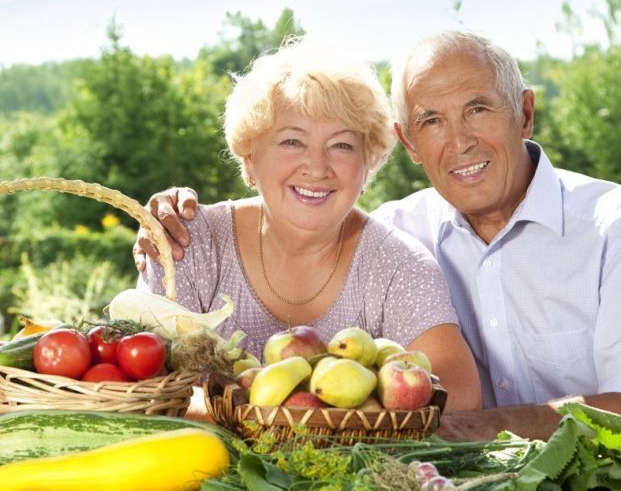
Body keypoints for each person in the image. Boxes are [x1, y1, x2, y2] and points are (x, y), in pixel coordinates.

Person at [137, 30, 621, 441]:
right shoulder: (400, 227)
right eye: (431, 120)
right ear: (408, 141)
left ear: (525, 113)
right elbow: (135, 378)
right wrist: (165, 220)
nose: (459, 141)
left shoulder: (608, 229)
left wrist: (462, 431)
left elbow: (455, 396)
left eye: (477, 109)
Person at [136, 37, 482, 412]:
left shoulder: (398, 264)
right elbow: (145, 383)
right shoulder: (190, 242)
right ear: (250, 159)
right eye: (291, 141)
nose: (317, 167)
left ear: (368, 166)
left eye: (342, 146)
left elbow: (460, 397)